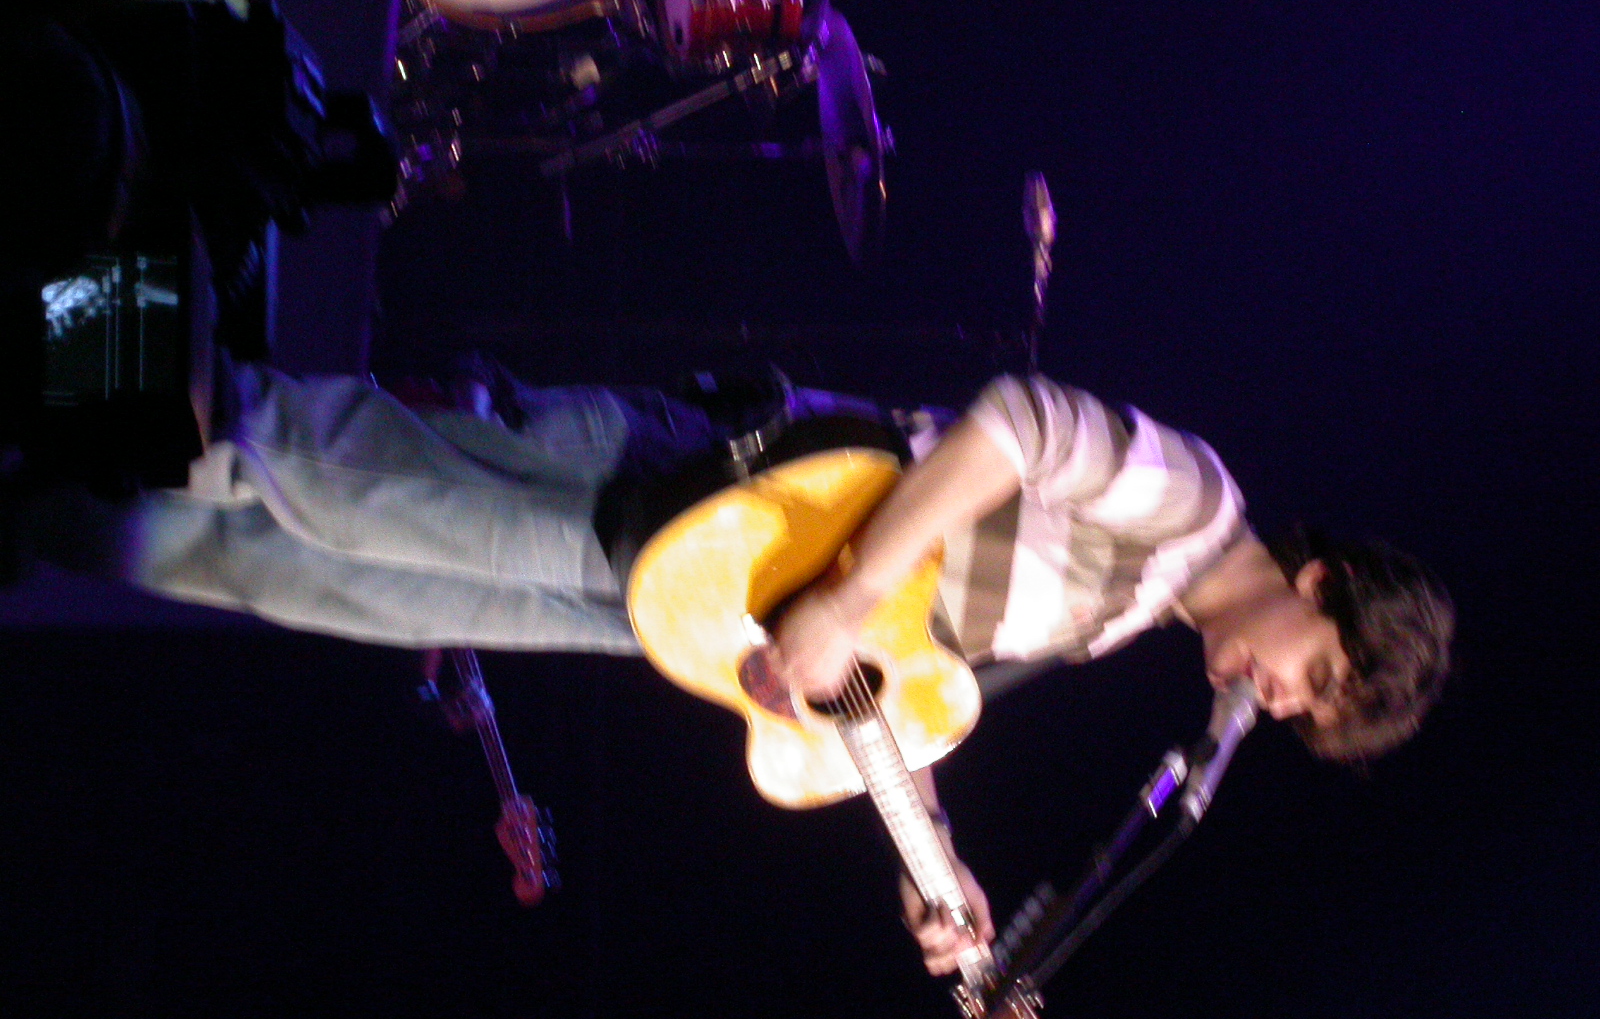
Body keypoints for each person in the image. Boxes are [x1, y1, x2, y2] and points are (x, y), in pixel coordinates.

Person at [18, 360, 1454, 975]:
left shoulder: (1126, 617)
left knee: (316, 575)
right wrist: (856, 598)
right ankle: (59, 323)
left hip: (691, 606)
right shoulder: (1193, 506)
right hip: (699, 498)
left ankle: (34, 505)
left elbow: (893, 676)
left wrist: (933, 861)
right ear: (1318, 586)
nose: (1281, 702)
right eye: (1318, 677)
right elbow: (1017, 422)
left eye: (1306, 716)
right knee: (319, 463)